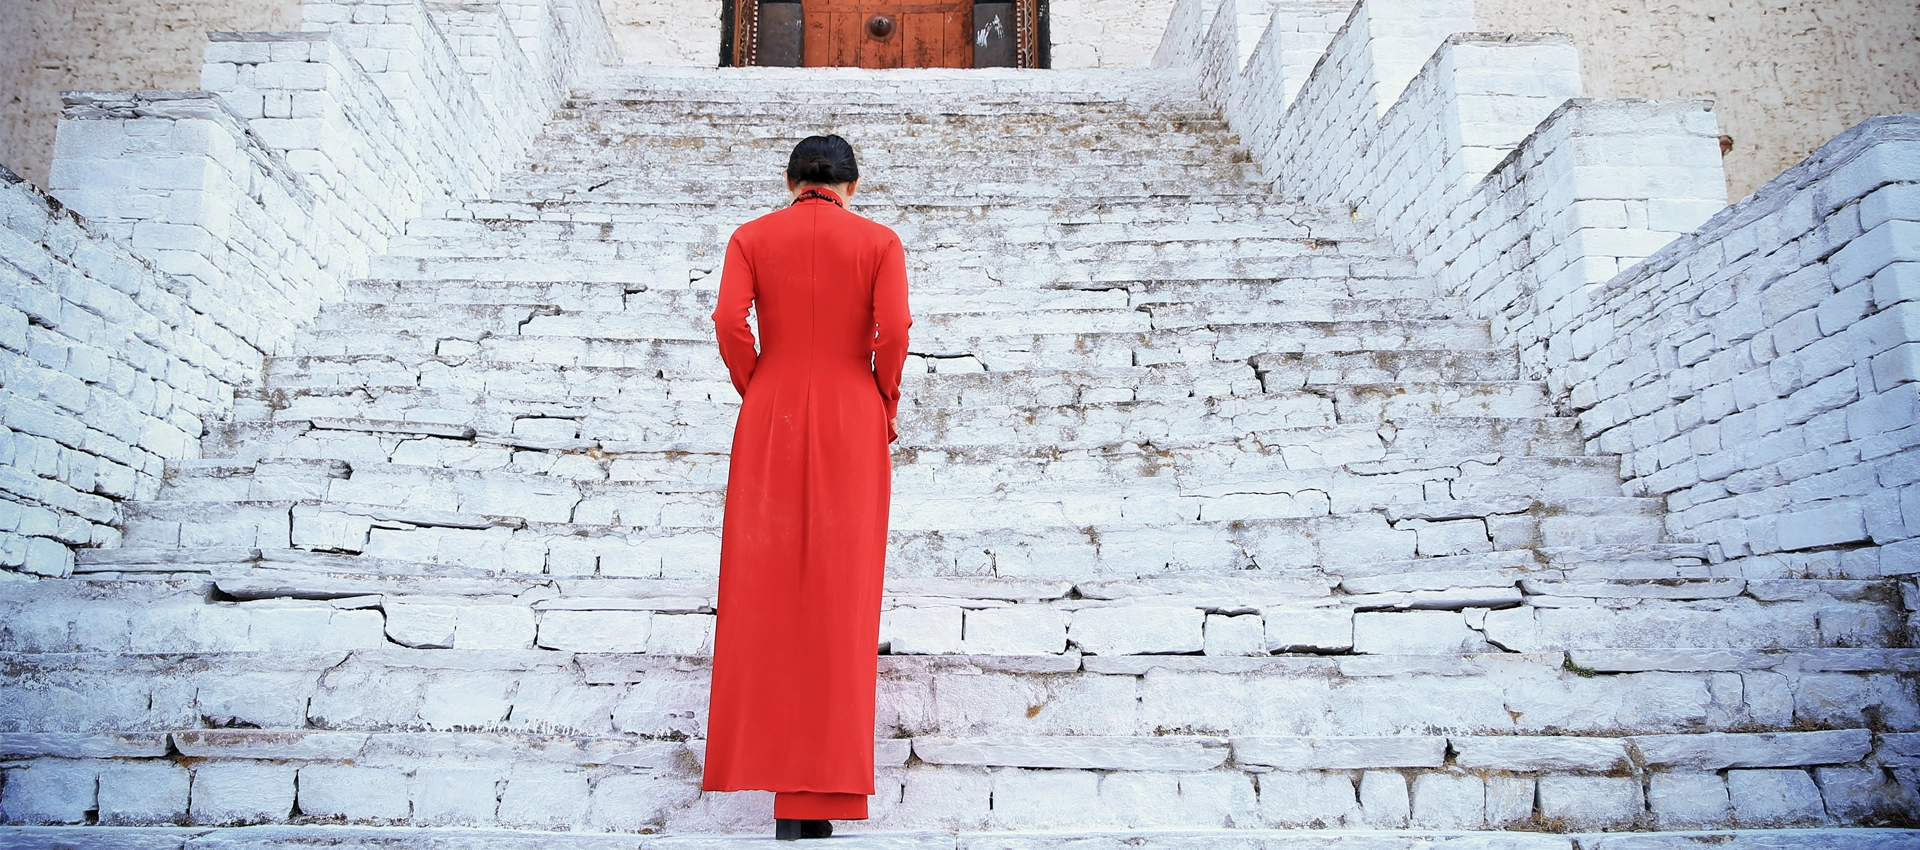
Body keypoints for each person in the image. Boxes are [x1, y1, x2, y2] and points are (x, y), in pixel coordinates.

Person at [700, 134, 912, 841]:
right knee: (841, 595)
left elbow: (728, 321)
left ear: (790, 182)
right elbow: (894, 328)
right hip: (853, 412)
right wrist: (883, 396)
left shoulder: (751, 237)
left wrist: (757, 383)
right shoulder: (879, 242)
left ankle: (785, 785)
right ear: (853, 186)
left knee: (762, 590)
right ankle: (819, 788)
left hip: (774, 406)